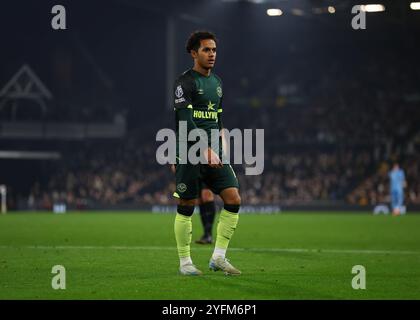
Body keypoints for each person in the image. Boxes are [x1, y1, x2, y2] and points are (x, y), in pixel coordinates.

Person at [172, 30, 241, 276]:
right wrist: (204, 149)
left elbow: (218, 120)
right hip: (190, 151)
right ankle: (185, 263)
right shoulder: (185, 82)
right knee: (187, 203)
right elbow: (184, 120)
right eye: (206, 50)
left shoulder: (218, 83)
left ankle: (218, 258)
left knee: (233, 198)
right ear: (194, 53)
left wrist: (220, 148)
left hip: (214, 152)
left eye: (214, 50)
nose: (211, 54)